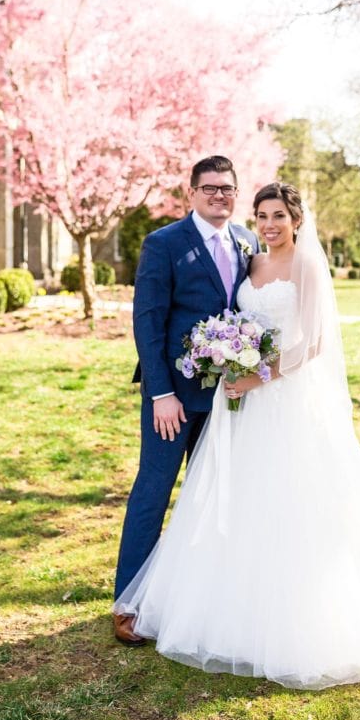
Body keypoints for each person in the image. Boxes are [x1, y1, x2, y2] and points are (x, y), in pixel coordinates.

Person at [114, 182, 360, 688]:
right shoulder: (252, 259)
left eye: (279, 215)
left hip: (284, 400)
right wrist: (222, 357)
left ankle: (289, 616)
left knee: (288, 502)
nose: (270, 224)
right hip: (238, 404)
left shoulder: (307, 266)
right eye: (263, 214)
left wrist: (257, 375)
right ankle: (215, 602)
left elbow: (312, 343)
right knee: (234, 498)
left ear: (296, 219)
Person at [113, 156, 259, 645]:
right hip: (172, 399)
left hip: (226, 399)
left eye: (228, 189)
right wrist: (160, 393)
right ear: (192, 193)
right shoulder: (164, 243)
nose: (220, 196)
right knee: (154, 491)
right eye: (211, 188)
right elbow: (147, 321)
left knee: (211, 496)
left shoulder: (248, 241)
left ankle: (197, 599)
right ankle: (128, 603)